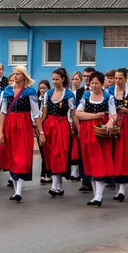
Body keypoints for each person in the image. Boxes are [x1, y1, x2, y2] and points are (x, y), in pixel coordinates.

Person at [0, 65, 45, 202]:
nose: (15, 76)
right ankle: (16, 190)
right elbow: (3, 112)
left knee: (22, 155)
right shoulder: (7, 91)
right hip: (10, 124)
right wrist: (1, 131)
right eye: (14, 74)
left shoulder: (29, 92)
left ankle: (18, 190)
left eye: (18, 74)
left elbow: (36, 113)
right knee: (11, 154)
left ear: (24, 76)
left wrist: (41, 132)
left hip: (23, 125)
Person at [76, 71, 117, 207]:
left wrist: (110, 123)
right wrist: (94, 116)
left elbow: (113, 114)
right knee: (89, 161)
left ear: (102, 83)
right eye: (92, 83)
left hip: (101, 131)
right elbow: (78, 113)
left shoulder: (108, 97)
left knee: (100, 160)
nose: (93, 86)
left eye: (96, 83)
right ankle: (95, 195)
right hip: (87, 130)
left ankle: (99, 195)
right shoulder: (86, 95)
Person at [42, 68, 76, 197]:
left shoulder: (69, 94)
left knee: (58, 154)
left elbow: (73, 114)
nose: (55, 82)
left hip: (62, 125)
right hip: (49, 125)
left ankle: (55, 186)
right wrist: (39, 129)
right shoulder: (48, 94)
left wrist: (77, 129)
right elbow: (44, 114)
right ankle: (59, 186)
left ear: (63, 79)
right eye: (53, 79)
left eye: (57, 79)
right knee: (51, 154)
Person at [107, 68, 128, 202]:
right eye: (116, 78)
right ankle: (116, 187)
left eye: (120, 78)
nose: (118, 81)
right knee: (113, 154)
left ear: (125, 78)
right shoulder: (109, 91)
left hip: (126, 125)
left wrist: (126, 110)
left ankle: (122, 189)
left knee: (125, 155)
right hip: (113, 124)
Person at [77, 66, 95, 193]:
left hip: (95, 124)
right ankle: (85, 180)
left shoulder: (100, 91)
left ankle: (96, 177)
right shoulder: (78, 92)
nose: (87, 79)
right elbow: (74, 112)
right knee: (83, 153)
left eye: (89, 76)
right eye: (85, 76)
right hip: (82, 125)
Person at [37, 80, 52, 184]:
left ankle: (49, 173)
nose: (42, 90)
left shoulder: (49, 99)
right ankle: (43, 173)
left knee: (48, 150)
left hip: (47, 126)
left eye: (44, 88)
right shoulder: (36, 100)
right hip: (38, 127)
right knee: (42, 151)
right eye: (40, 88)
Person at [69, 71, 83, 180]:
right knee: (73, 145)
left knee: (79, 145)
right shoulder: (70, 93)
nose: (75, 81)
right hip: (71, 120)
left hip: (80, 119)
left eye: (77, 79)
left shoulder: (82, 92)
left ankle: (78, 169)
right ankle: (73, 169)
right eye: (73, 79)